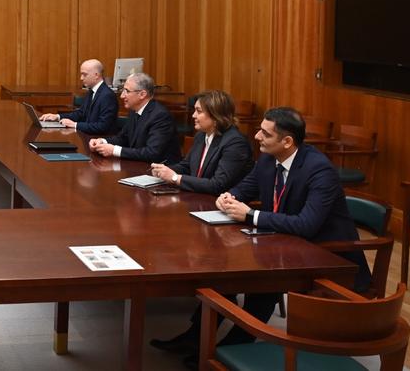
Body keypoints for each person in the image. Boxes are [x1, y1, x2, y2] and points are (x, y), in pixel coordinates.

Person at [152, 107, 369, 365]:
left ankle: (225, 352)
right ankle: (197, 340)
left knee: (261, 285)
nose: (256, 136)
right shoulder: (269, 159)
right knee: (223, 273)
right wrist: (229, 197)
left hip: (327, 255)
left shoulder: (319, 170)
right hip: (282, 242)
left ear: (287, 141)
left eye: (265, 133)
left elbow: (307, 224)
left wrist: (250, 215)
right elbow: (245, 187)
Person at [148, 90, 252, 195]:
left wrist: (175, 177)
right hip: (197, 197)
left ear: (216, 116)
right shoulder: (201, 135)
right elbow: (187, 166)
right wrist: (163, 170)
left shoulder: (235, 143)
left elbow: (218, 185)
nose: (193, 115)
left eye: (199, 111)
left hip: (219, 203)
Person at [89, 72, 180, 163]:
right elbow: (123, 138)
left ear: (142, 94)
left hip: (160, 170)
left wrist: (114, 150)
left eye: (127, 91)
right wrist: (102, 141)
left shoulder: (160, 116)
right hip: (139, 166)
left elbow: (152, 153)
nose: (122, 96)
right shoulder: (134, 110)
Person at [39, 59, 118, 134]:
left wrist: (75, 125)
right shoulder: (91, 91)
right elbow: (81, 113)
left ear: (96, 75)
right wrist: (57, 117)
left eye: (84, 74)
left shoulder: (107, 95)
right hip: (88, 136)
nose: (81, 78)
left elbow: (103, 126)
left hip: (99, 140)